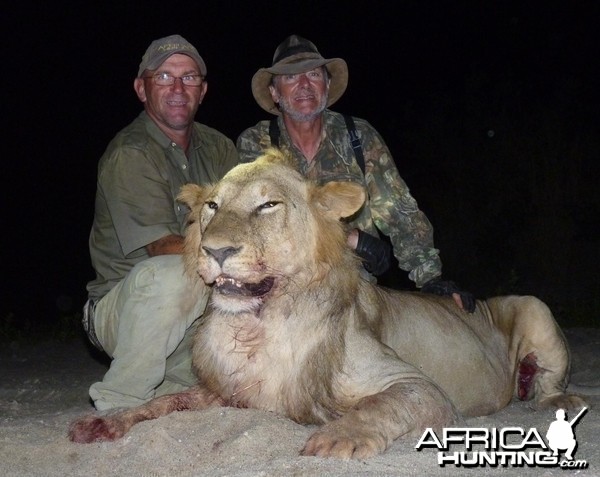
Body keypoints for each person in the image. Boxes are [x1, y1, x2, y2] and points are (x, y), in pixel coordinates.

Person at [237, 35, 475, 312]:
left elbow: (397, 209)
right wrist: (351, 238)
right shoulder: (256, 143)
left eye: (313, 74)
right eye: (290, 78)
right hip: (284, 284)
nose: (304, 85)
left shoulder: (358, 136)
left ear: (326, 85)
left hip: (355, 287)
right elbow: (262, 220)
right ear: (275, 93)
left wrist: (431, 278)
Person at [83, 34, 238, 410]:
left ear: (203, 90)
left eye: (189, 78)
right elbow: (163, 247)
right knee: (175, 271)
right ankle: (120, 399)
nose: (178, 88)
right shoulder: (130, 153)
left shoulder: (220, 148)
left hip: (196, 311)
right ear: (142, 88)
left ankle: (176, 381)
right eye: (164, 77)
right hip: (125, 311)